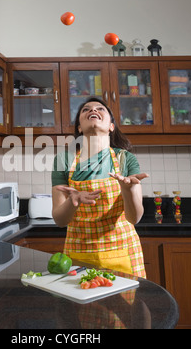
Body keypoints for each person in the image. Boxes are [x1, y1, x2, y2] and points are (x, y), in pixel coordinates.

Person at [51, 97, 148, 278]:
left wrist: (127, 190)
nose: (92, 110)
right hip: (80, 252)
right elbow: (59, 220)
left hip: (122, 251)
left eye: (100, 109)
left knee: (127, 306)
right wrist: (73, 200)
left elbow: (134, 218)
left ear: (111, 126)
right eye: (86, 109)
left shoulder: (125, 159)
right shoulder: (64, 160)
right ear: (79, 128)